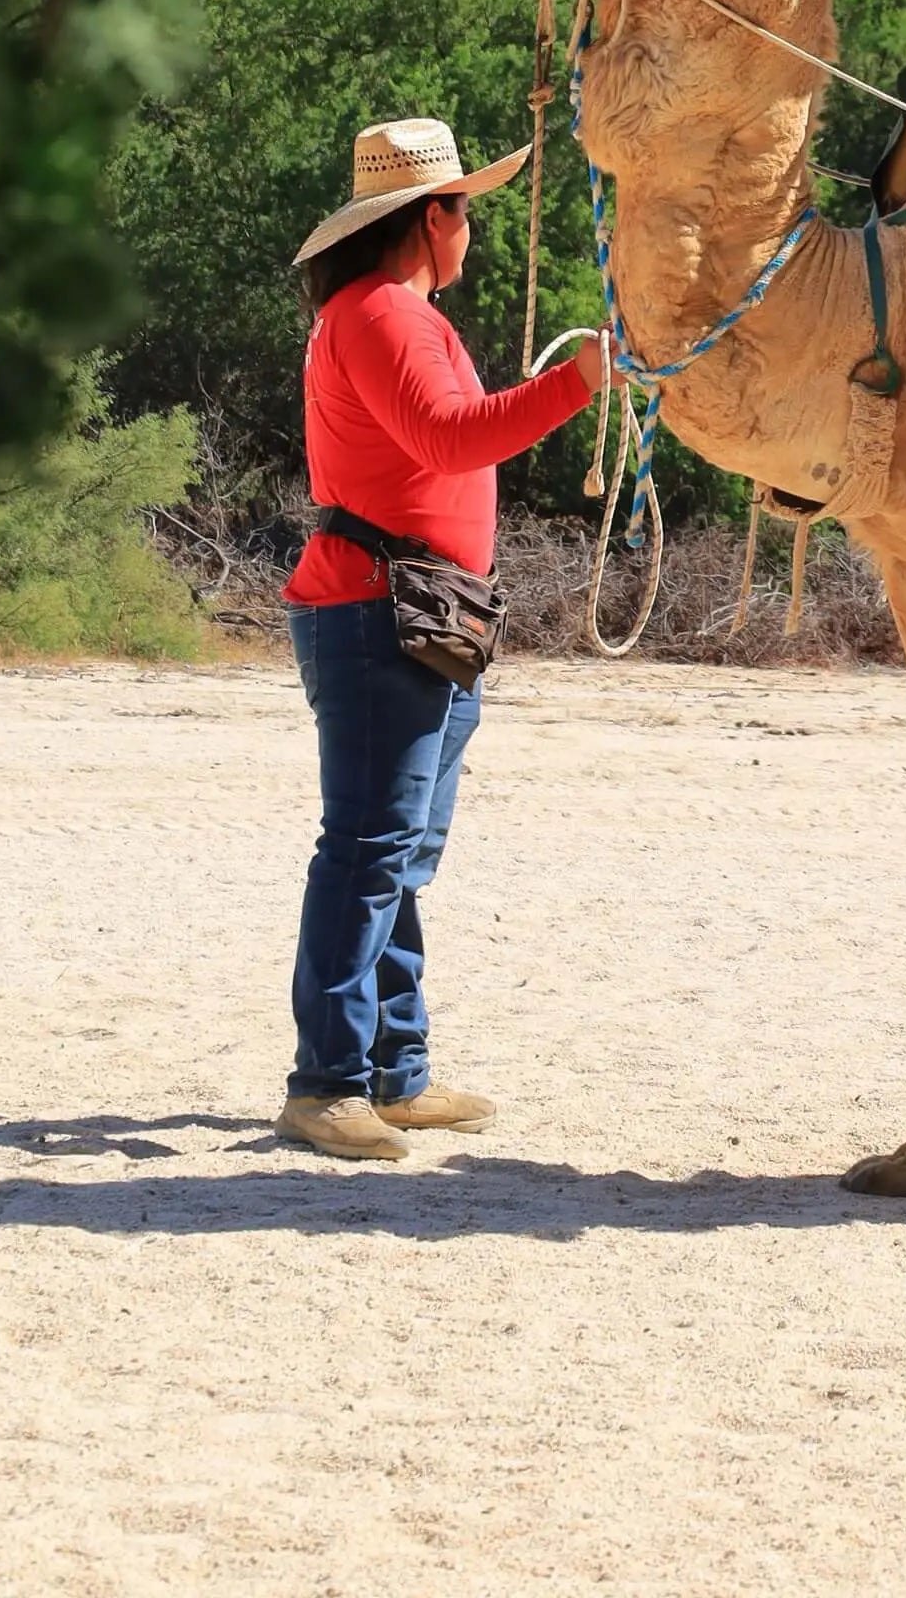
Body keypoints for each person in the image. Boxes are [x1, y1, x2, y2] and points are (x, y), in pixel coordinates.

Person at [275, 118, 599, 1161]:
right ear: (427, 218)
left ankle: (391, 1071)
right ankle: (328, 1082)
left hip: (412, 610)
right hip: (385, 611)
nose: (472, 229)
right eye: (462, 208)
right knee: (371, 849)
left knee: (394, 851)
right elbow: (450, 438)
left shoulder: (382, 313)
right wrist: (579, 382)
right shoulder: (383, 316)